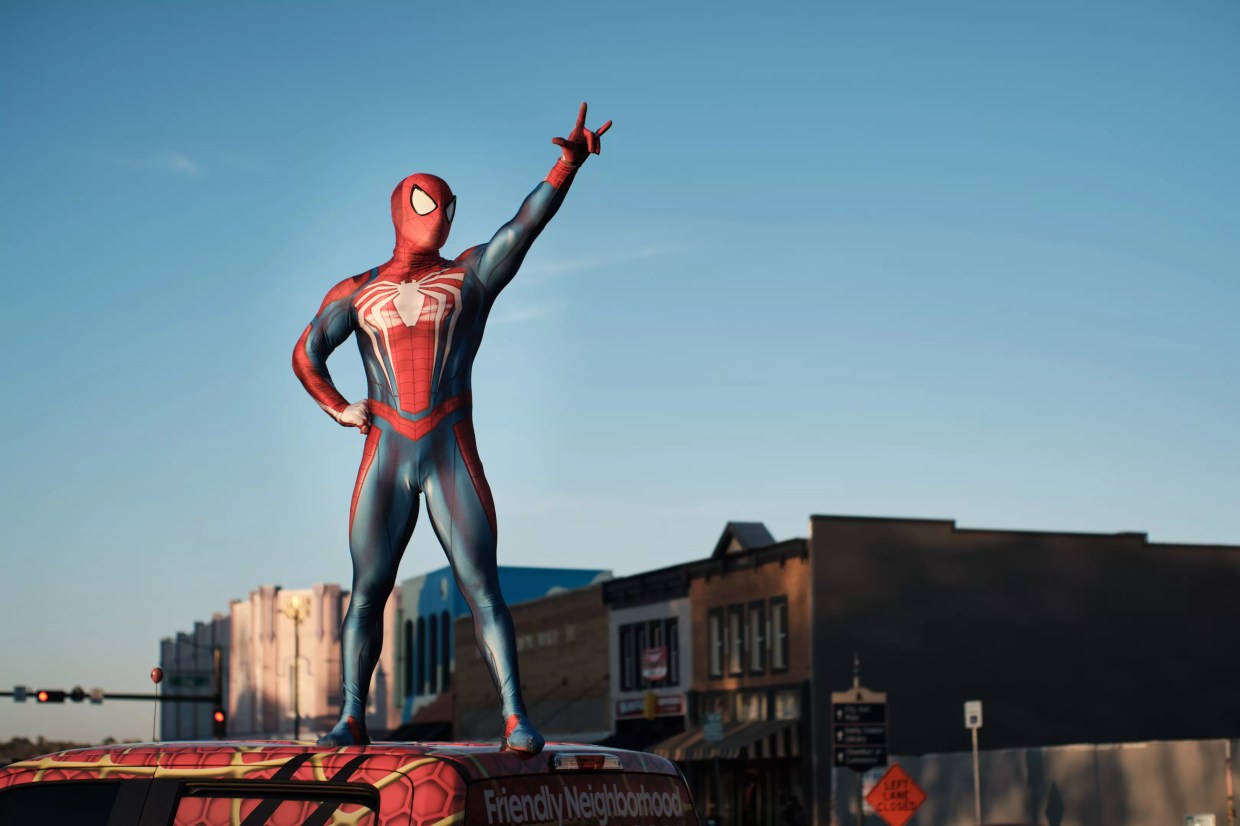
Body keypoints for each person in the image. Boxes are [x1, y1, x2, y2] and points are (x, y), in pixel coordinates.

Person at [293, 103, 611, 752]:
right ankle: (353, 715)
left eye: (444, 203)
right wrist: (339, 406)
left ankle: (517, 716)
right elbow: (305, 354)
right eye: (424, 200)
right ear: (400, 208)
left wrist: (566, 164)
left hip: (445, 447)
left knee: (480, 586)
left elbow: (522, 228)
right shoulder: (357, 291)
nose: (437, 212)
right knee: (369, 589)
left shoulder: (467, 276)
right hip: (389, 450)